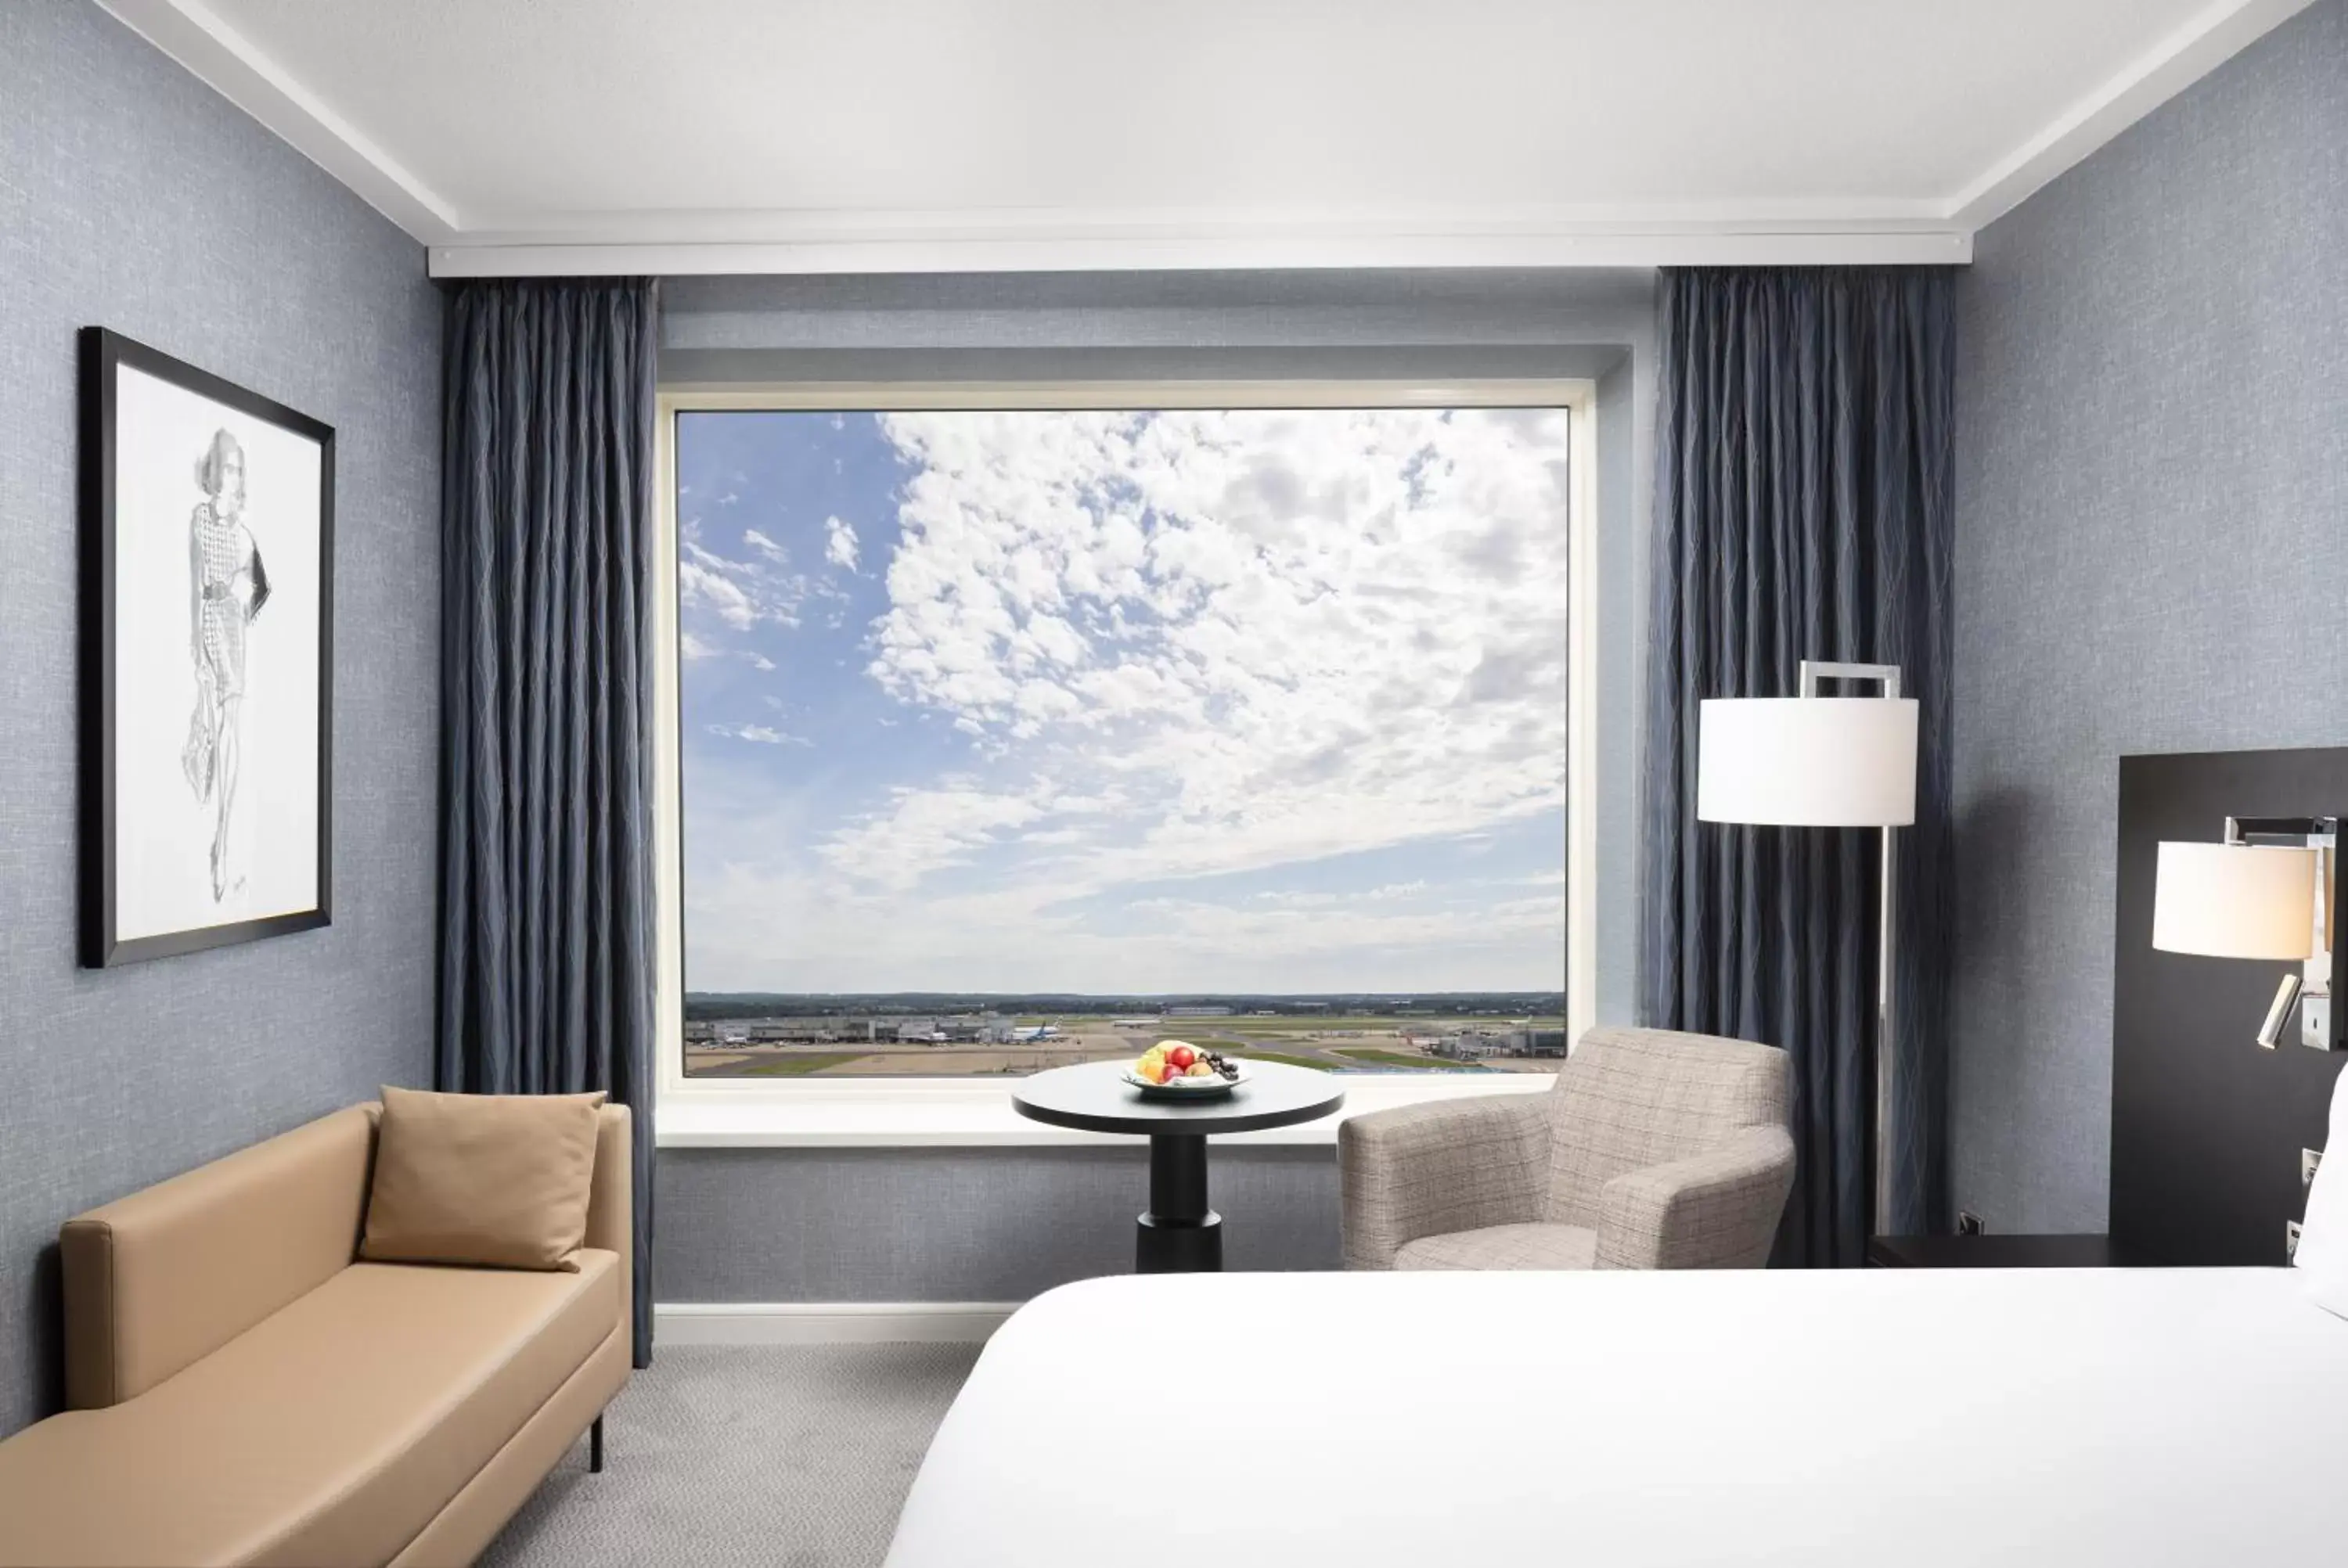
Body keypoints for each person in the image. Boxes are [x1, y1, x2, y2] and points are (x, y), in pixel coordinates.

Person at [183, 428, 269, 902]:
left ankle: (224, 840)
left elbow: (257, 590)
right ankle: (217, 842)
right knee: (213, 728)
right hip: (212, 623)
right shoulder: (201, 520)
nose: (230, 476)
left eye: (237, 468)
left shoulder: (242, 531)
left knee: (231, 730)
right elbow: (194, 584)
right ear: (212, 471)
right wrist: (196, 645)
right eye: (225, 466)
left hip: (235, 628)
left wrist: (241, 582)